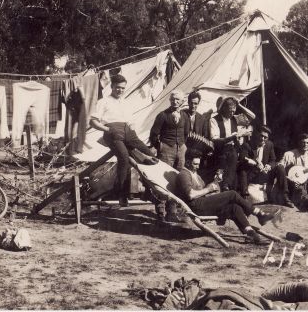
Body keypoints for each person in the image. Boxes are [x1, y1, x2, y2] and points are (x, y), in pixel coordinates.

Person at [176, 150, 278, 244]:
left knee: (234, 207)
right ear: (188, 162)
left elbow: (204, 190)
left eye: (198, 164)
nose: (198, 167)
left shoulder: (195, 174)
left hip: (203, 203)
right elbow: (190, 195)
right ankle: (259, 214)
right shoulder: (184, 174)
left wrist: (214, 183)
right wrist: (208, 189)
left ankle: (250, 233)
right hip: (196, 206)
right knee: (232, 194)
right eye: (195, 164)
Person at [90, 74, 156, 207]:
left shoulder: (125, 102)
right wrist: (107, 129)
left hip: (128, 131)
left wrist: (132, 132)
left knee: (150, 154)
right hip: (113, 132)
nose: (120, 90)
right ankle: (121, 194)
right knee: (124, 159)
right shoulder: (104, 101)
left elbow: (131, 121)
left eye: (123, 88)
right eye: (118, 88)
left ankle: (150, 190)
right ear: (112, 87)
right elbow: (93, 122)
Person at [149, 91, 190, 222]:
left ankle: (172, 211)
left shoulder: (185, 115)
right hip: (166, 149)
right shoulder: (162, 115)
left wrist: (183, 146)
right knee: (163, 180)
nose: (175, 102)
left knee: (178, 179)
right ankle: (160, 211)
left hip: (181, 149)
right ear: (170, 100)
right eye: (173, 99)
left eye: (178, 99)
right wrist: (160, 147)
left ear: (182, 101)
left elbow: (186, 132)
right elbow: (153, 134)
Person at [238, 125, 293, 207]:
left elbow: (273, 160)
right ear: (257, 134)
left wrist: (269, 166)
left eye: (265, 137)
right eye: (261, 136)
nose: (263, 139)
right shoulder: (247, 145)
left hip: (265, 174)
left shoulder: (269, 144)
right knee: (242, 170)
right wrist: (256, 164)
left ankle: (285, 196)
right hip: (253, 175)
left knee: (280, 167)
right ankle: (244, 197)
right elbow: (243, 158)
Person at [210, 97, 249, 191]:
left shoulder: (234, 119)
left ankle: (232, 186)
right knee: (233, 154)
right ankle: (226, 185)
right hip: (220, 150)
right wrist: (232, 138)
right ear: (223, 108)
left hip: (233, 149)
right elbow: (215, 139)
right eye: (230, 111)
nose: (232, 113)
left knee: (242, 150)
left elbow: (251, 117)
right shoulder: (214, 120)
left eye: (234, 111)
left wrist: (239, 105)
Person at [278, 133, 308, 211]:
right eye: (303, 142)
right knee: (299, 189)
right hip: (292, 183)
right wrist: (291, 179)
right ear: (299, 143)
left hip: (306, 182)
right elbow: (280, 167)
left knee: (304, 190)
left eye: (307, 143)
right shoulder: (290, 154)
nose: (305, 144)